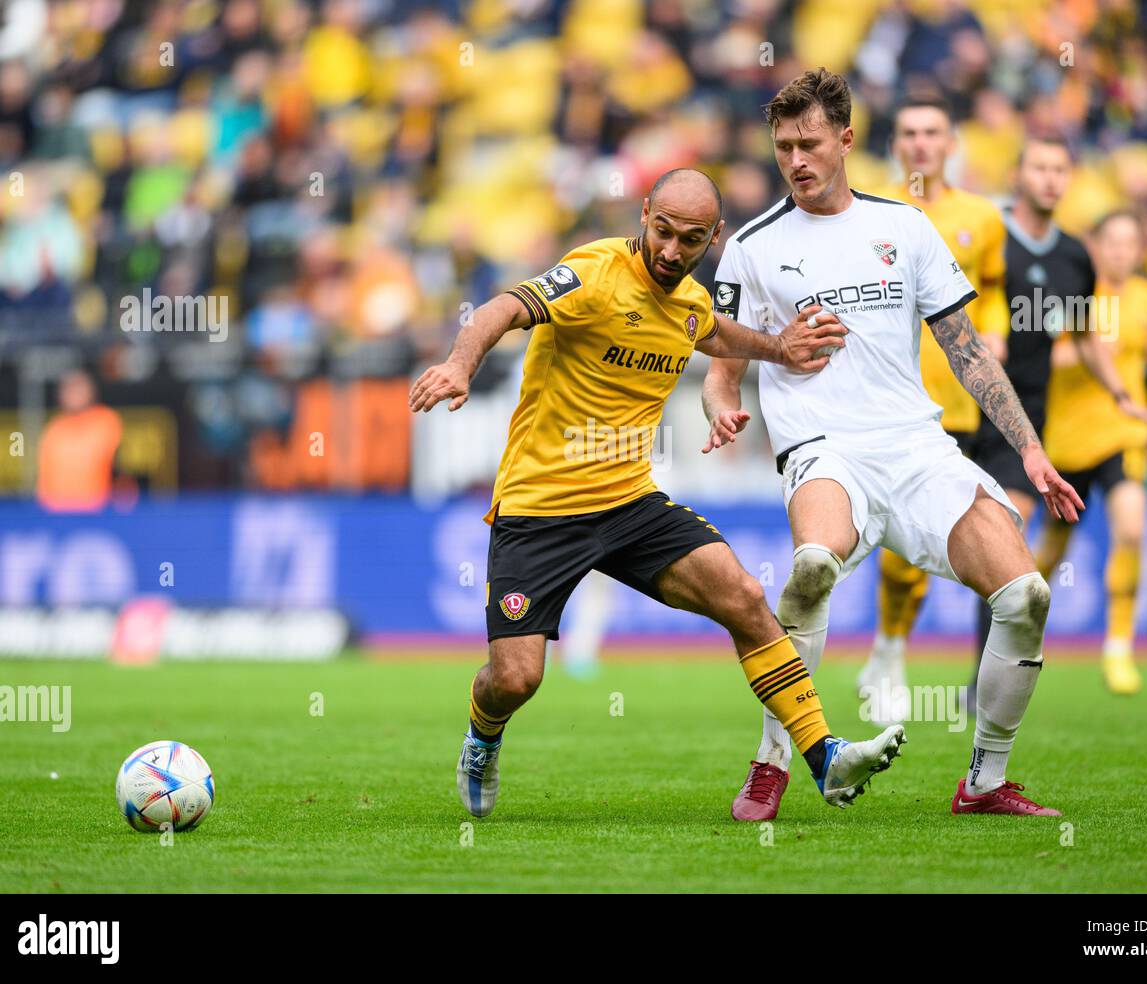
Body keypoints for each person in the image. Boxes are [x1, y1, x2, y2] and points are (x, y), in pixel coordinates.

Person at [410, 168, 907, 819]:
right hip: (541, 509)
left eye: (691, 239)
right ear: (644, 214)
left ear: (714, 237)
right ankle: (483, 737)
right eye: (663, 231)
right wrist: (459, 363)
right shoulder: (594, 273)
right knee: (515, 678)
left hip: (629, 504)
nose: (672, 251)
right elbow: (505, 307)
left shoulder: (690, 302)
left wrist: (781, 350)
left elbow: (714, 331)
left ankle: (823, 756)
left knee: (746, 596)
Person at [703, 69, 1082, 822]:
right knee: (811, 570)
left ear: (846, 139)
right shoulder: (749, 247)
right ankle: (774, 761)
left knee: (1026, 594)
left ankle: (983, 782)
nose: (796, 160)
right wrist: (723, 409)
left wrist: (1031, 451)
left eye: (809, 144)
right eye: (782, 147)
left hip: (916, 448)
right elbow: (723, 372)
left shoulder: (904, 229)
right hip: (823, 448)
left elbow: (969, 352)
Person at [967, 139, 1147, 707]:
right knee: (931, 549)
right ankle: (889, 658)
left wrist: (1123, 395)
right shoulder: (987, 234)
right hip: (960, 406)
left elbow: (1085, 335)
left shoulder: (1076, 256)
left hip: (1023, 416)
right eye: (1040, 168)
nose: (1051, 179)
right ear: (1017, 174)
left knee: (1007, 542)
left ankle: (986, 682)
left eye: (1061, 170)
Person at [856, 96, 1010, 724]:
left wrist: (995, 330)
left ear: (951, 144)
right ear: (896, 144)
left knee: (949, 538)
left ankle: (899, 652)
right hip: (892, 402)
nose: (920, 143)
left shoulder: (982, 217)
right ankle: (890, 653)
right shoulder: (870, 211)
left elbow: (995, 290)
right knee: (897, 548)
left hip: (959, 404)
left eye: (932, 132)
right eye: (909, 132)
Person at [1035, 211, 1147, 694]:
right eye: (1111, 241)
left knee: (1132, 530)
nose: (1120, 251)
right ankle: (1021, 631)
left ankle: (1119, 646)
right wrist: (1090, 351)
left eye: (1130, 242)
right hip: (1069, 440)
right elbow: (1045, 357)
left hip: (1123, 431)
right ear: (1094, 246)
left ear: (1140, 249)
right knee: (1051, 555)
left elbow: (1141, 344)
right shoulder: (1070, 298)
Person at [36, 369, 123, 512]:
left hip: (98, 511)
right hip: (58, 512)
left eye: (79, 388)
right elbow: (44, 480)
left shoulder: (106, 421)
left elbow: (118, 468)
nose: (74, 395)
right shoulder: (53, 429)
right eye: (69, 389)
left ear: (91, 391)